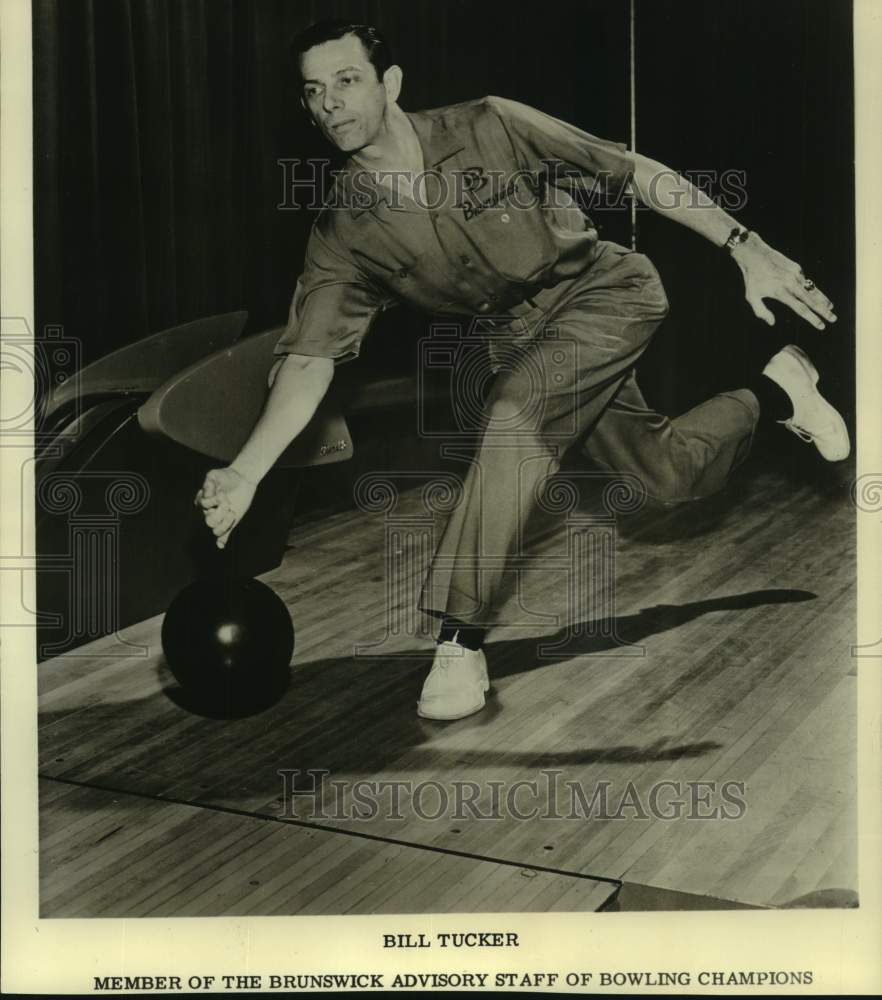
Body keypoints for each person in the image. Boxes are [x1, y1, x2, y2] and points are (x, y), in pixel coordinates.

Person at [196, 19, 849, 722]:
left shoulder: (489, 124)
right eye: (314, 92)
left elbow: (631, 171)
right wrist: (246, 470)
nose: (330, 103)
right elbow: (308, 359)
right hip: (516, 341)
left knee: (514, 417)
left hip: (606, 296)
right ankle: (776, 388)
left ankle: (459, 641)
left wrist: (742, 244)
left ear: (390, 84)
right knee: (666, 476)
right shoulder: (343, 230)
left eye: (347, 81)